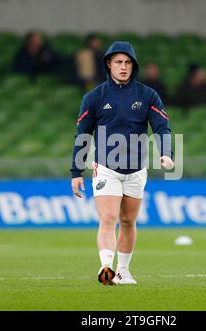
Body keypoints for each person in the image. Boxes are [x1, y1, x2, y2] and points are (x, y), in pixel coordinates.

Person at [70, 41, 173, 285]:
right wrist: (76, 171)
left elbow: (162, 127)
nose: (123, 67)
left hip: (137, 169)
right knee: (108, 218)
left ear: (133, 65)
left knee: (128, 221)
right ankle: (106, 267)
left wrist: (166, 153)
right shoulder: (94, 97)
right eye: (118, 62)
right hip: (106, 167)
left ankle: (123, 271)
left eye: (127, 62)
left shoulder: (148, 95)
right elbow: (83, 135)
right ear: (108, 64)